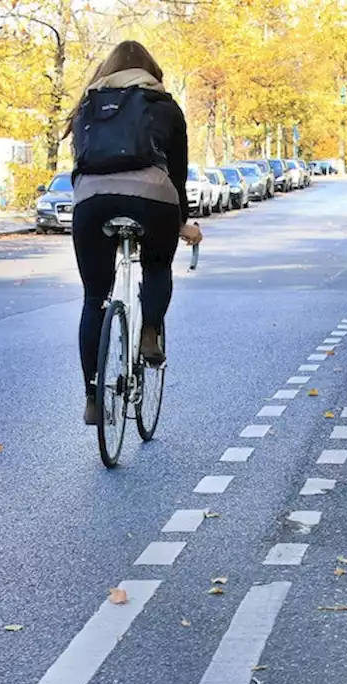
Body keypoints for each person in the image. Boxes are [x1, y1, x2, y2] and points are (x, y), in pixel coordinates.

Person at [65, 41, 202, 425]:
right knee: (157, 266)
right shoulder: (164, 106)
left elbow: (80, 162)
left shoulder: (87, 105)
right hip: (153, 198)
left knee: (94, 297)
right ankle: (150, 332)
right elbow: (177, 173)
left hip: (91, 201)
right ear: (151, 71)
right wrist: (179, 223)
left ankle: (93, 398)